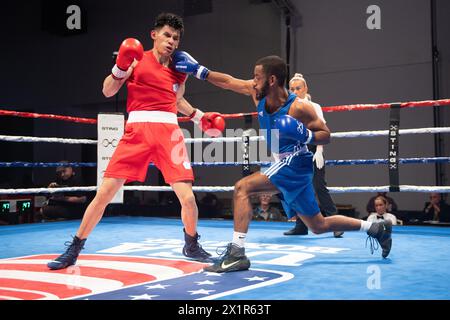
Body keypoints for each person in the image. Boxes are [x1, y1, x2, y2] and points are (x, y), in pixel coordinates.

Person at [173, 52, 393, 272]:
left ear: (272, 80)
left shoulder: (298, 108)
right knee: (318, 225)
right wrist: (199, 71)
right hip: (287, 165)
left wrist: (306, 136)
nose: (253, 81)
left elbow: (326, 134)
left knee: (242, 188)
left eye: (257, 77)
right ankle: (375, 228)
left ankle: (236, 254)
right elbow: (229, 82)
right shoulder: (257, 93)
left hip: (296, 161)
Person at [47, 13, 225, 270]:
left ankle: (192, 244)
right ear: (154, 35)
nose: (171, 41)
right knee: (105, 193)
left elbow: (177, 101)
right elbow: (108, 90)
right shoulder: (136, 59)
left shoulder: (180, 69)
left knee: (187, 197)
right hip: (137, 130)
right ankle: (74, 249)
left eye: (175, 38)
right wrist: (120, 67)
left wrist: (199, 118)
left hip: (169, 132)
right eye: (167, 35)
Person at [283, 73, 342, 237]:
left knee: (319, 186)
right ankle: (301, 226)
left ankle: (336, 224)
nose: (295, 91)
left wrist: (320, 151)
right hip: (296, 149)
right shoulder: (289, 107)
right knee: (300, 187)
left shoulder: (314, 106)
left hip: (313, 147)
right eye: (292, 89)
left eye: (298, 88)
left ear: (305, 89)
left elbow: (322, 130)